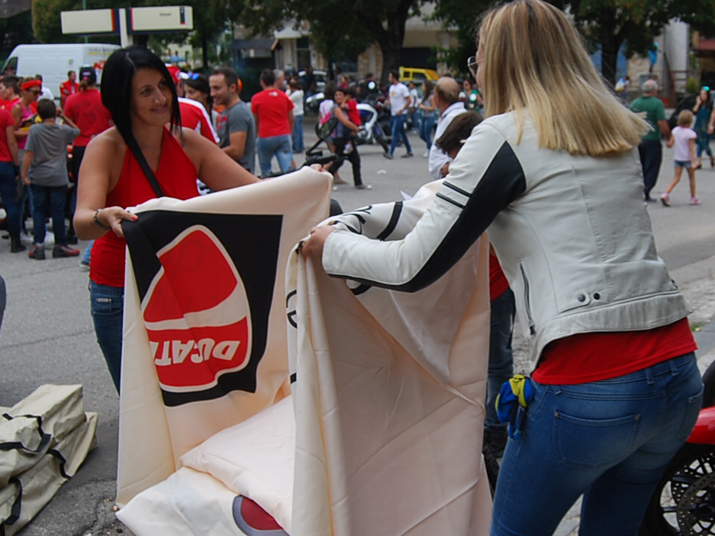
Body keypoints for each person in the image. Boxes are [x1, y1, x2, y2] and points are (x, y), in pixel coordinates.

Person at [301, 2, 701, 535]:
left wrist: (332, 245)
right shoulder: (613, 128)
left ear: (502, 61)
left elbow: (412, 265)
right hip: (676, 372)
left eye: (479, 58)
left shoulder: (501, 136)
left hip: (587, 382)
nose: (478, 70)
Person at [74, 46, 258, 391]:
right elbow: (82, 221)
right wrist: (103, 216)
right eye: (146, 91)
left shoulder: (189, 143)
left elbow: (256, 191)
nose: (161, 99)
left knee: (194, 396)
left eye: (163, 86)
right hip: (121, 293)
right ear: (122, 99)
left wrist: (306, 181)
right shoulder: (106, 148)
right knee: (141, 400)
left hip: (184, 287)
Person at [433, 111, 514, 461]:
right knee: (472, 360)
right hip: (476, 285)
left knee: (497, 363)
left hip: (494, 286)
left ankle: (497, 431)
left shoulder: (489, 177)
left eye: (456, 157)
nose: (452, 165)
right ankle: (484, 424)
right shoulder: (471, 175)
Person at [21, 99, 80, 260]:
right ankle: (60, 244)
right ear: (55, 112)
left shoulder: (34, 130)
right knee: (58, 211)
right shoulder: (63, 130)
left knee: (39, 211)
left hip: (39, 175)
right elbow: (77, 131)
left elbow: (29, 153)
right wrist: (64, 116)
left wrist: (24, 174)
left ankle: (38, 245)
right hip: (58, 176)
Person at [64, 66, 113, 246]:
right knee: (105, 188)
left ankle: (73, 227)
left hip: (80, 145)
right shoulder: (104, 98)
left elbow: (67, 123)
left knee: (80, 188)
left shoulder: (72, 99)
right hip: (102, 145)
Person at [210, 66, 256, 174]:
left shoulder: (238, 112)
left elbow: (236, 150)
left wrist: (209, 155)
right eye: (211, 88)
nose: (212, 93)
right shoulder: (227, 111)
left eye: (217, 88)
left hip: (239, 176)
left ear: (232, 88)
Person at [630, 79, 670, 201]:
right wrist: (668, 137)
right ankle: (646, 191)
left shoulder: (635, 103)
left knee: (640, 165)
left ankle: (637, 190)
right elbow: (661, 122)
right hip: (652, 139)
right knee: (652, 166)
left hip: (638, 138)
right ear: (654, 90)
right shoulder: (657, 104)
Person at [251, 69, 294, 177]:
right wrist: (290, 133)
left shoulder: (256, 98)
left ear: (262, 82)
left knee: (265, 168)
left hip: (265, 135)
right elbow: (291, 117)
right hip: (283, 134)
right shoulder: (284, 96)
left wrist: (256, 135)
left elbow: (255, 120)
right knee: (287, 168)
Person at [329, 87, 370, 190]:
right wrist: (356, 128)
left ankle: (358, 182)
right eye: (336, 95)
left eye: (340, 95)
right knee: (338, 161)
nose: (338, 97)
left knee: (355, 160)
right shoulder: (336, 108)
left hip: (347, 138)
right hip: (340, 138)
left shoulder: (344, 107)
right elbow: (345, 122)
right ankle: (325, 181)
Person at [428, 76, 466, 180]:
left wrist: (451, 166)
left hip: (450, 176)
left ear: (439, 97)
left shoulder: (454, 117)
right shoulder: (448, 116)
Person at [661, 110, 700, 207]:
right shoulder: (691, 133)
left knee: (677, 178)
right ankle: (693, 198)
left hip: (678, 158)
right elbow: (691, 149)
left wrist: (668, 144)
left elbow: (670, 144)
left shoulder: (675, 130)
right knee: (691, 178)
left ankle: (666, 193)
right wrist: (693, 162)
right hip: (687, 158)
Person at [0, 101, 21, 252]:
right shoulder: (4, 115)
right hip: (4, 162)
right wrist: (16, 164)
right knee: (10, 203)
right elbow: (11, 141)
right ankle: (15, 240)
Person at [383, 70, 413, 159]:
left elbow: (409, 100)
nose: (389, 78)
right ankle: (409, 150)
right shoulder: (391, 87)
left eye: (390, 77)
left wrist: (402, 109)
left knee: (395, 132)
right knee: (402, 132)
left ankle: (391, 152)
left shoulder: (402, 88)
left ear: (394, 77)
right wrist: (388, 102)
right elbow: (391, 98)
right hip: (393, 113)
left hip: (400, 113)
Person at [692, 87, 714, 169]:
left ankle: (711, 156)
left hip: (706, 125)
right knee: (699, 143)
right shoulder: (700, 104)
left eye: (704, 94)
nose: (703, 96)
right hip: (699, 126)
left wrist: (711, 125)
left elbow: (713, 115)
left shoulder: (710, 105)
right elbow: (694, 111)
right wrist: (698, 103)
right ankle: (699, 162)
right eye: (701, 94)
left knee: (705, 144)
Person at [418, 80, 436, 157]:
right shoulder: (424, 95)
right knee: (421, 134)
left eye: (423, 86)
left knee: (427, 134)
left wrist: (424, 107)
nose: (422, 87)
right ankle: (430, 146)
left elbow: (433, 107)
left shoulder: (431, 97)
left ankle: (430, 149)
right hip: (424, 116)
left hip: (429, 117)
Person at [287, 79, 305, 153]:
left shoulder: (296, 94)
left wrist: (288, 90)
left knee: (296, 132)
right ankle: (301, 146)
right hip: (300, 113)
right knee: (299, 131)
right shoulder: (300, 92)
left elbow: (287, 98)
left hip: (296, 113)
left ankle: (297, 146)